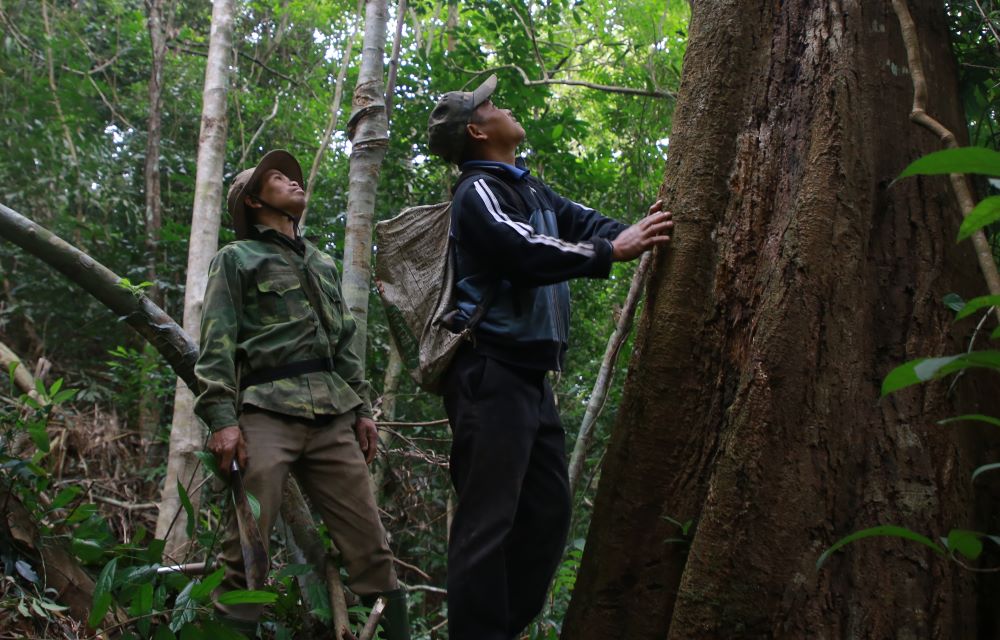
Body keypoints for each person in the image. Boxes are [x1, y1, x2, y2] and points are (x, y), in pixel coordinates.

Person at [426, 75, 674, 640]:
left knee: (547, 513)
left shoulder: (529, 189)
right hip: (489, 372)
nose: (505, 106)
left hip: (530, 379)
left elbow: (584, 223)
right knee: (487, 522)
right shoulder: (477, 191)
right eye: (492, 104)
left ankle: (502, 628)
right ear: (477, 130)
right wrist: (612, 250)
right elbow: (520, 249)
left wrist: (639, 231)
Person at [194, 149, 410, 639]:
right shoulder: (236, 259)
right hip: (266, 412)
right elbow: (216, 343)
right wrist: (222, 419)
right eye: (278, 177)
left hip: (333, 416)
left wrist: (363, 409)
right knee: (245, 550)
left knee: (372, 549)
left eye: (294, 177)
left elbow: (343, 341)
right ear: (252, 201)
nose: (293, 181)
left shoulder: (322, 261)